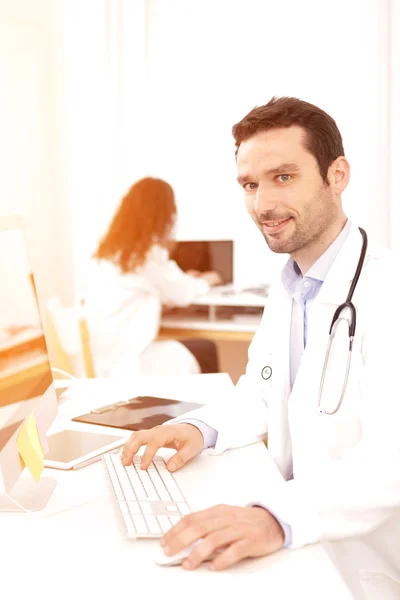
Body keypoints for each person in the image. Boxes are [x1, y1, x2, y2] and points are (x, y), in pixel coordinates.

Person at [121, 96, 400, 576]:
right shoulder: (291, 285)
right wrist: (198, 429)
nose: (262, 204)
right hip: (303, 541)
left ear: (338, 175)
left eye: (283, 177)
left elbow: (389, 460)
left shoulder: (387, 292)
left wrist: (275, 518)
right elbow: (262, 391)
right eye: (250, 184)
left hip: (367, 564)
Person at [84, 177, 222, 378]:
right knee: (206, 348)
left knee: (196, 348)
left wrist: (181, 281)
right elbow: (182, 294)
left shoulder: (112, 254)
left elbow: (156, 286)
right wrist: (206, 281)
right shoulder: (145, 256)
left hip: (106, 359)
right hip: (129, 365)